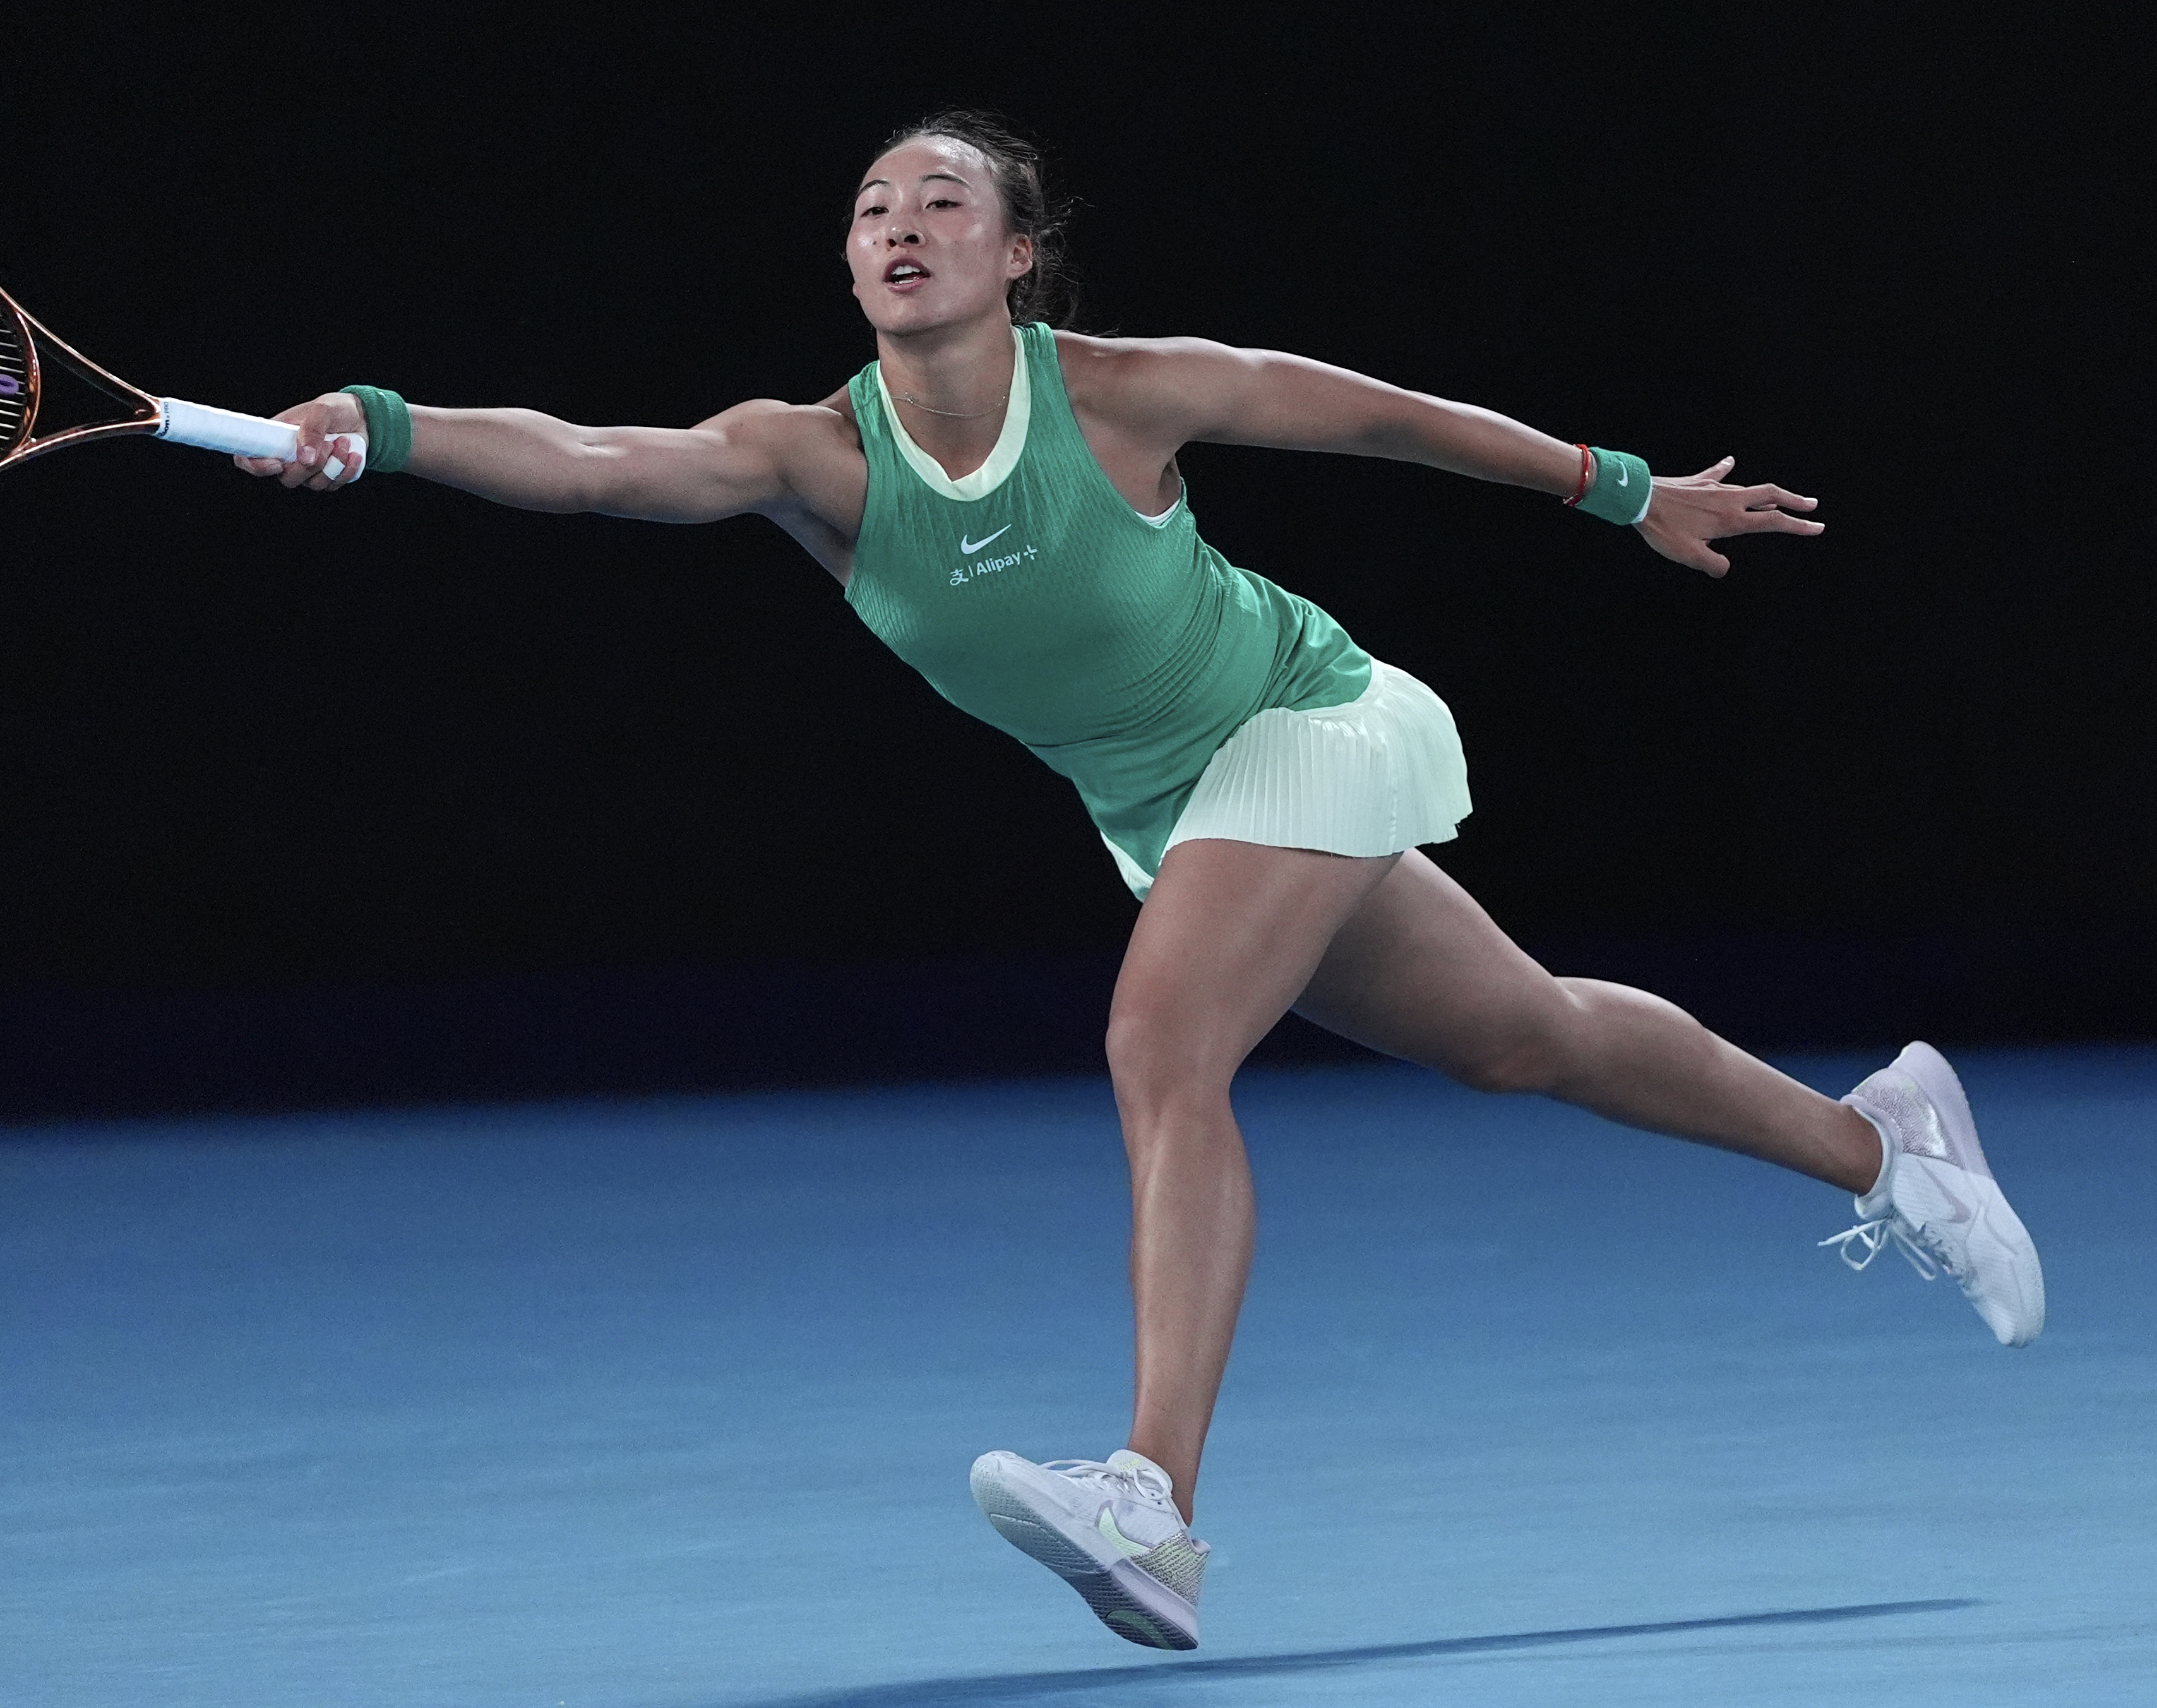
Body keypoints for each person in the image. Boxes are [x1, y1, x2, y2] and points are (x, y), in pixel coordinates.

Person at [240, 112, 2045, 1652]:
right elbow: (590, 465)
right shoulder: (810, 455)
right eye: (875, 207)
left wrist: (1616, 485)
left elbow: (1381, 416)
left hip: (1308, 722)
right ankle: (1887, 1143)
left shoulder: (1114, 394)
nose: (901, 226)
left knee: (1159, 1048)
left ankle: (1151, 1504)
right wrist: (385, 427)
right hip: (1162, 808)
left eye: (943, 201)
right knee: (1524, 1037)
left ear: (1018, 254)